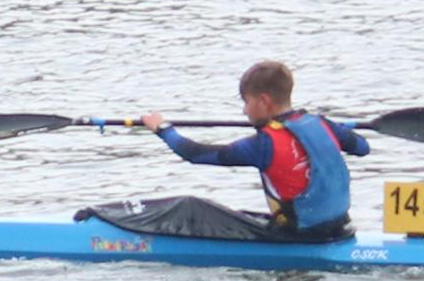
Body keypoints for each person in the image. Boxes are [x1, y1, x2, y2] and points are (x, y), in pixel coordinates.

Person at [90, 61, 374, 245]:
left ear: (264, 101)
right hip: (339, 229)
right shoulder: (322, 124)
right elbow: (362, 147)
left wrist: (162, 128)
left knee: (190, 206)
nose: (244, 110)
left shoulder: (264, 144)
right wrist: (334, 130)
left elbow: (194, 154)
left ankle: (100, 223)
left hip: (301, 237)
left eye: (247, 102)